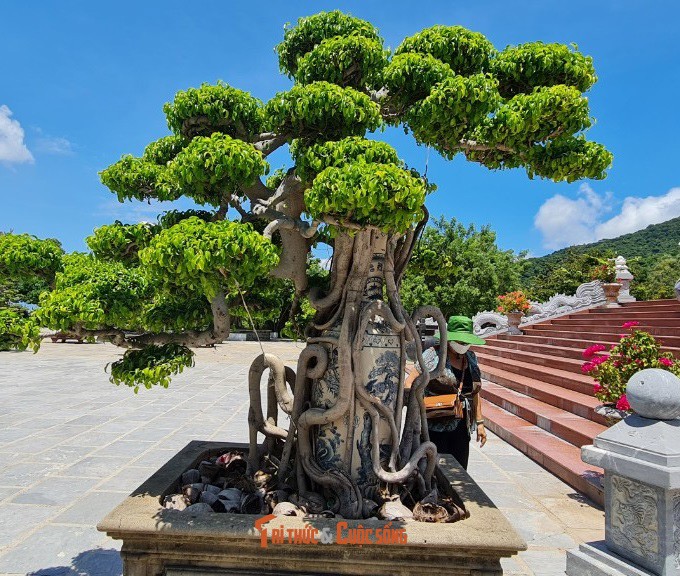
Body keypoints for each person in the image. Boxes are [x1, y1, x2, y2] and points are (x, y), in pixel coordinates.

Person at [406, 315, 487, 469]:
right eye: (459, 341)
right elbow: (410, 381)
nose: (463, 345)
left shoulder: (470, 358)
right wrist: (417, 407)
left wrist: (480, 423)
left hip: (461, 425)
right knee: (435, 468)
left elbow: (475, 391)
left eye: (466, 342)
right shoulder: (433, 354)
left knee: (459, 470)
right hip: (434, 423)